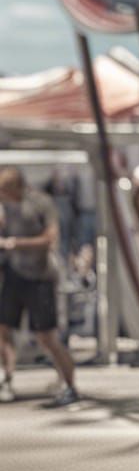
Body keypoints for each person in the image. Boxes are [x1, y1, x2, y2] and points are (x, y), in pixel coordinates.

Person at [0, 167, 81, 407]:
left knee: (47, 337)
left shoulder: (40, 203)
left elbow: (51, 237)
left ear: (17, 187)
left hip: (41, 276)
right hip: (15, 275)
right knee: (3, 330)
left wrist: (16, 244)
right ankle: (6, 378)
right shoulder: (4, 206)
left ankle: (69, 384)